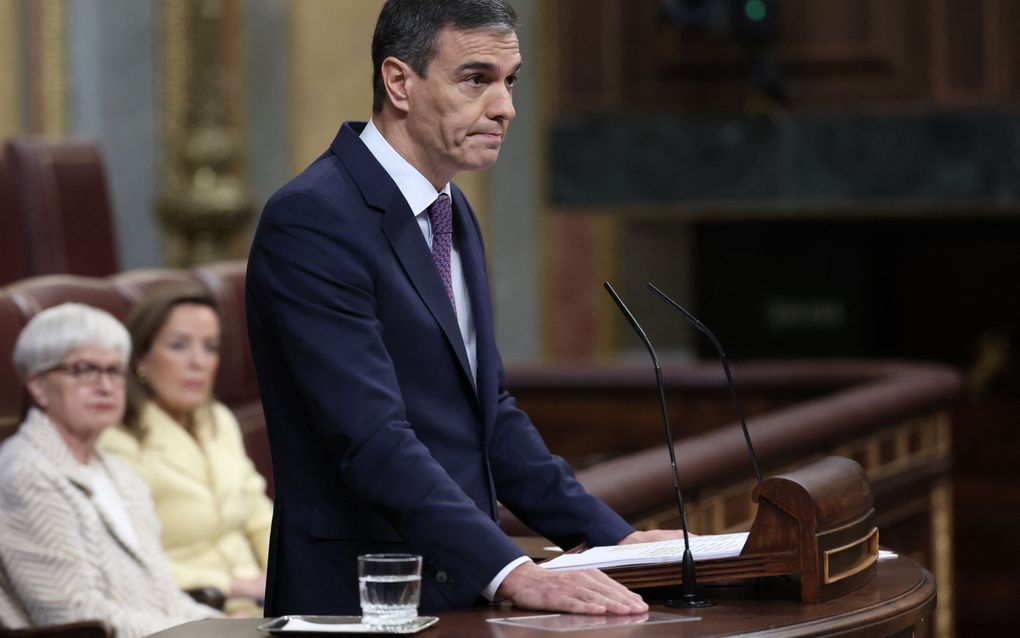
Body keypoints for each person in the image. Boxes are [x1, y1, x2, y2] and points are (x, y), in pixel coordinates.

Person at [246, 0, 680, 617]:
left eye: (510, 81)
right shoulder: (313, 219)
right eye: (476, 79)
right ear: (399, 82)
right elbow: (371, 439)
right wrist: (513, 572)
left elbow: (488, 413)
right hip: (359, 601)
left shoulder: (451, 209)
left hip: (460, 590)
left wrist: (617, 540)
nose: (504, 106)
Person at [0, 303, 219, 638]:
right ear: (38, 386)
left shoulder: (122, 475)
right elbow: (76, 617)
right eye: (85, 369)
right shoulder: (24, 474)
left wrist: (235, 628)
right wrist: (209, 633)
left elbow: (166, 598)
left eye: (115, 370)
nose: (105, 386)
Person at [98, 284, 272, 615]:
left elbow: (260, 517)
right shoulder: (115, 439)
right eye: (179, 346)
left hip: (264, 607)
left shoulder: (217, 419)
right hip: (187, 611)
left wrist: (290, 579)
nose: (198, 362)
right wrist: (233, 585)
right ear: (141, 358)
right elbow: (127, 560)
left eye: (210, 347)